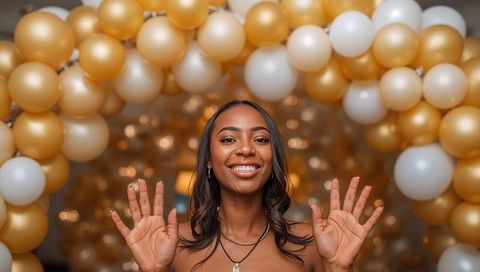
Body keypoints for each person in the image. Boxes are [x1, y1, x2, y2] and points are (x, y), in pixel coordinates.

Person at [111, 100, 384, 272]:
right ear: (208, 159)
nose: (245, 149)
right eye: (229, 139)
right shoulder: (172, 244)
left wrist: (338, 267)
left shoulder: (313, 242)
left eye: (261, 140)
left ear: (272, 156)